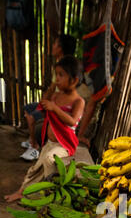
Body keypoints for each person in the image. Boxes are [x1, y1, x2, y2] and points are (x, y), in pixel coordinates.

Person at [5, 55, 85, 203]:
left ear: (74, 80)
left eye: (61, 75)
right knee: (35, 169)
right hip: (49, 143)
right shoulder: (56, 95)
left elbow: (72, 121)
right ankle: (22, 191)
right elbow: (42, 105)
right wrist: (50, 89)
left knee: (49, 160)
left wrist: (55, 108)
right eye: (57, 75)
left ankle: (50, 194)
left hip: (64, 144)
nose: (58, 79)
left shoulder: (78, 101)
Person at [20, 34, 77, 161]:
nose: (52, 46)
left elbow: (57, 91)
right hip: (52, 103)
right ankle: (31, 141)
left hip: (57, 107)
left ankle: (35, 148)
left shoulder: (67, 68)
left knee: (31, 116)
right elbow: (52, 87)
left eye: (55, 44)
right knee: (27, 108)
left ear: (61, 48)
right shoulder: (60, 65)